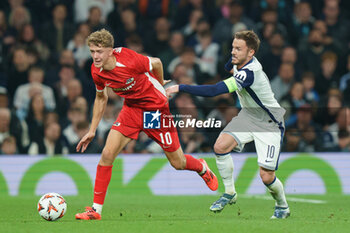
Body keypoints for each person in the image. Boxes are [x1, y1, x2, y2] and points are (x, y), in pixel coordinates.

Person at [75, 29, 218, 220]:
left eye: (99, 51)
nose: (95, 56)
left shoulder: (129, 59)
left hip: (155, 110)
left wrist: (159, 85)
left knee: (178, 162)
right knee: (107, 154)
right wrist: (92, 130)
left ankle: (201, 167)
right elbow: (101, 98)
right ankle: (95, 210)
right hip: (131, 110)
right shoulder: (96, 70)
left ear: (110, 50)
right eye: (92, 51)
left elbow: (157, 63)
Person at [166, 30, 290, 219]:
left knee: (266, 177)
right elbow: (228, 66)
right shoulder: (239, 63)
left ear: (251, 53)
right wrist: (232, 65)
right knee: (220, 146)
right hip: (249, 116)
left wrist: (180, 87)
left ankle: (282, 206)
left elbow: (215, 90)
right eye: (233, 47)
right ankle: (230, 192)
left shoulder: (250, 73)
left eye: (238, 49)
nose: (233, 52)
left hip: (269, 122)